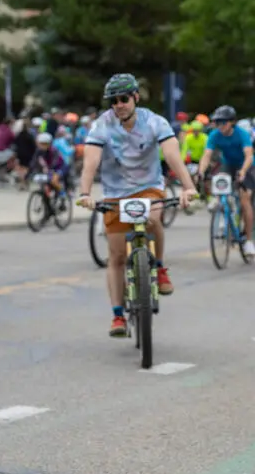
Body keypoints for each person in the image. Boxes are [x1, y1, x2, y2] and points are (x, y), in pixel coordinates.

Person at [77, 73, 197, 337]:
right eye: (114, 101)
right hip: (115, 193)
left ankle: (160, 268)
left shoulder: (154, 121)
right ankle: (118, 315)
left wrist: (188, 187)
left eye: (123, 99)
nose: (119, 105)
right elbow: (91, 161)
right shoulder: (102, 126)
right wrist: (85, 192)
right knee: (117, 256)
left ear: (135, 98)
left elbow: (172, 154)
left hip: (149, 187)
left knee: (154, 218)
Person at [198, 105, 255, 257]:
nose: (220, 126)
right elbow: (207, 155)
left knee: (245, 200)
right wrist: (201, 172)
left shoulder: (241, 134)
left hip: (246, 165)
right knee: (218, 182)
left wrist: (243, 172)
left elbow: (249, 155)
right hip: (228, 164)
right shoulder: (215, 134)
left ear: (232, 122)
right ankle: (222, 207)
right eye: (217, 123)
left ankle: (249, 240)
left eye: (223, 122)